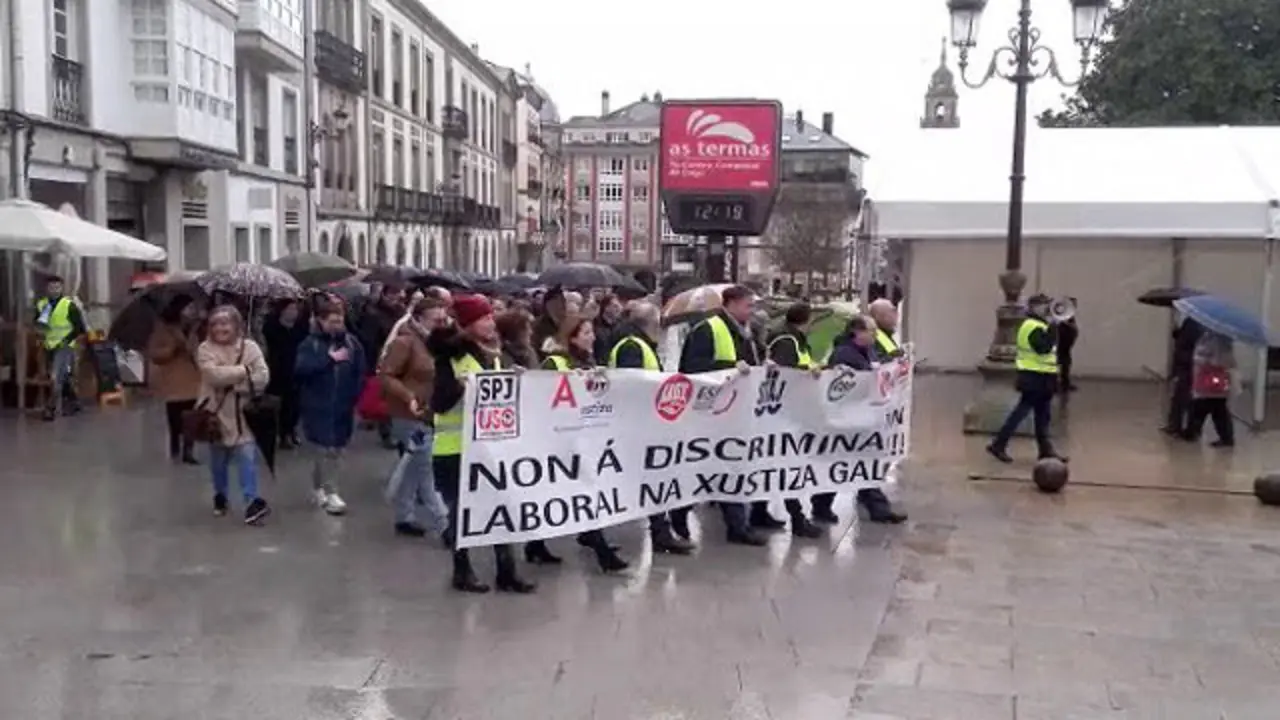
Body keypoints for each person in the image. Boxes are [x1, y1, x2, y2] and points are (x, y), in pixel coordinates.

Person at [427, 294, 535, 594]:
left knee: (502, 507)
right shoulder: (451, 357)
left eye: (490, 317)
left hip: (492, 448)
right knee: (462, 512)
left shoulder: (498, 354)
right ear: (468, 325)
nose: (491, 323)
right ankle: (462, 570)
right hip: (456, 448)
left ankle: (507, 570)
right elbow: (438, 402)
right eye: (483, 318)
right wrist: (461, 388)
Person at [526, 314, 629, 573]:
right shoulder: (555, 363)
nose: (592, 337)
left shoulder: (588, 362)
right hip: (558, 441)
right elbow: (539, 400)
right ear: (571, 337)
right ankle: (600, 548)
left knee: (575, 491)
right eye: (585, 333)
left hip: (581, 439)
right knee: (574, 491)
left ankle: (537, 544)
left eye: (592, 332)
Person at [679, 284, 768, 546]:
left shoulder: (745, 332)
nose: (751, 311)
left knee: (732, 467)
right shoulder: (709, 330)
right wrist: (728, 368)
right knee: (710, 468)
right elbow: (692, 368)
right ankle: (679, 514)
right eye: (747, 305)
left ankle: (738, 525)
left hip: (736, 411)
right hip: (714, 413)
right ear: (730, 304)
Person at [609, 301, 696, 555]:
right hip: (637, 424)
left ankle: (662, 531)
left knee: (654, 479)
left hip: (644, 423)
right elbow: (632, 386)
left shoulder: (638, 344)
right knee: (652, 478)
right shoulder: (632, 347)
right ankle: (660, 532)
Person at [379, 295, 450, 538]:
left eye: (444, 318)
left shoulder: (439, 342)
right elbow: (386, 375)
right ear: (419, 319)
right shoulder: (405, 341)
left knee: (414, 468)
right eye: (436, 320)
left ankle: (403, 516)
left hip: (433, 413)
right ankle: (445, 523)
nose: (441, 323)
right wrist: (408, 396)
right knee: (425, 466)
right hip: (408, 415)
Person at [196, 305, 272, 524]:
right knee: (219, 461)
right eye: (216, 324)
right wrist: (244, 370)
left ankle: (251, 503)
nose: (221, 328)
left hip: (244, 415)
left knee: (247, 458)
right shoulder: (205, 349)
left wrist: (240, 385)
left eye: (225, 323)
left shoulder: (250, 348)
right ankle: (221, 495)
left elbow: (263, 377)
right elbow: (213, 376)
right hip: (216, 415)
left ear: (236, 325)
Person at [829, 315, 908, 524]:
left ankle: (874, 506)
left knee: (858, 463)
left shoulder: (867, 351)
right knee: (851, 462)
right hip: (848, 418)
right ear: (857, 332)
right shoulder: (843, 354)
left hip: (863, 417)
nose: (875, 335)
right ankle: (875, 507)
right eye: (871, 331)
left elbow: (876, 369)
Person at [294, 302, 366, 516]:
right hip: (317, 405)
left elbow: (360, 370)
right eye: (331, 321)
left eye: (339, 320)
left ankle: (319, 487)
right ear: (321, 321)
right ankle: (331, 492)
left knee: (334, 449)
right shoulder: (310, 344)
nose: (337, 325)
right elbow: (300, 371)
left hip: (344, 405)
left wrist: (356, 395)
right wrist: (328, 360)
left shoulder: (352, 343)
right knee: (326, 449)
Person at [766, 303, 826, 538]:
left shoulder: (793, 338)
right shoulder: (787, 341)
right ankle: (797, 518)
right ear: (806, 320)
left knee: (776, 466)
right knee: (787, 466)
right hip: (785, 414)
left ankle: (761, 513)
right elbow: (786, 374)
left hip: (787, 413)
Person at [986, 294, 1066, 464]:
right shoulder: (1033, 326)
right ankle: (999, 444)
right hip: (1034, 377)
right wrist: (1053, 328)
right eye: (1044, 305)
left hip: (1042, 377)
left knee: (1042, 416)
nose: (1047, 309)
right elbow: (1043, 348)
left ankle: (1045, 450)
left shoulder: (1039, 325)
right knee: (1022, 413)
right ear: (1034, 307)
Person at [147, 296, 203, 464]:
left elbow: (198, 350)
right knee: (175, 416)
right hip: (173, 380)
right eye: (188, 308)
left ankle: (188, 449)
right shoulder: (163, 329)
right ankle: (174, 445)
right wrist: (172, 348)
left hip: (192, 378)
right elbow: (155, 353)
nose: (191, 311)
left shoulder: (194, 330)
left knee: (191, 416)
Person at [356, 283, 405, 448]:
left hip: (399, 357)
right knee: (384, 396)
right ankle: (387, 432)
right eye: (392, 293)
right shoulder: (373, 314)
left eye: (397, 293)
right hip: (381, 358)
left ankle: (393, 429)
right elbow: (368, 340)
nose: (395, 297)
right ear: (384, 295)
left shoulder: (400, 311)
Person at [34, 275, 86, 421]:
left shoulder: (68, 305)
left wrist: (66, 340)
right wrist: (39, 332)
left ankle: (50, 408)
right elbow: (37, 323)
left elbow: (80, 328)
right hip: (48, 346)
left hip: (64, 346)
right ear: (46, 289)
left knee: (55, 377)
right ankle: (74, 402)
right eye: (51, 287)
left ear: (62, 288)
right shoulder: (41, 304)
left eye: (57, 287)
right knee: (62, 376)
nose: (54, 290)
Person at [263, 299, 308, 449]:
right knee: (276, 405)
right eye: (289, 309)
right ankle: (279, 433)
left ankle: (289, 431)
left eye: (295, 309)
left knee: (293, 404)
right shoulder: (271, 326)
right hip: (276, 369)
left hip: (295, 368)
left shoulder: (300, 327)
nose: (292, 312)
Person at [1183, 330, 1235, 448]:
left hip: (1213, 383)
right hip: (1206, 382)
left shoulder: (1220, 340)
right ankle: (1194, 432)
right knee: (1207, 409)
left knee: (1212, 410)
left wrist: (1201, 359)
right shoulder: (1208, 336)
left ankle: (1225, 438)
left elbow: (1219, 361)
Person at [1163, 316, 1203, 436]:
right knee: (1182, 399)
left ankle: (1182, 427)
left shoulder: (1194, 323)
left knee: (1183, 399)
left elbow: (1189, 342)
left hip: (1187, 367)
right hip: (1187, 366)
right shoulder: (1192, 322)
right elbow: (1184, 338)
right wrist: (1177, 333)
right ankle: (1181, 427)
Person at [1056, 299, 1079, 393]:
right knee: (1061, 362)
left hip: (1066, 344)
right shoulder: (1063, 315)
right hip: (1062, 343)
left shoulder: (1070, 316)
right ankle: (1058, 383)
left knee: (1066, 363)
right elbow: (1062, 327)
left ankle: (1065, 383)